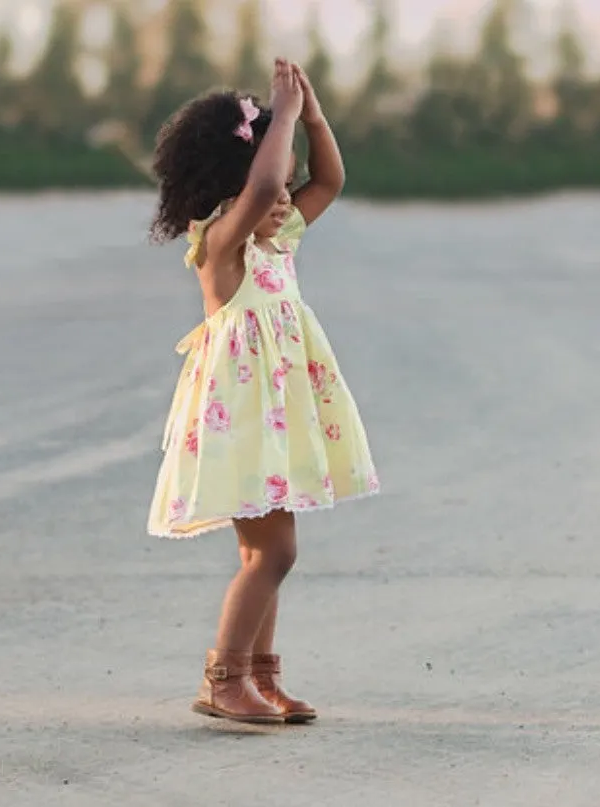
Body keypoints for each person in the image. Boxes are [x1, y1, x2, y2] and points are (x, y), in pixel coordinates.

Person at [147, 59, 380, 725]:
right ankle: (223, 677)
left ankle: (258, 674)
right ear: (232, 188)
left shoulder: (278, 239)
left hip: (272, 414)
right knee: (275, 553)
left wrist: (309, 114)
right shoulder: (221, 243)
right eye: (263, 184)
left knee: (262, 552)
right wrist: (278, 114)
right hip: (238, 415)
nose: (283, 193)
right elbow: (273, 179)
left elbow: (327, 179)